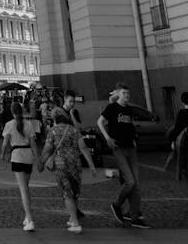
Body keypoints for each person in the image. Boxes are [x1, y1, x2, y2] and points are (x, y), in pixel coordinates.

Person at [97, 83, 149, 228]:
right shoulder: (112, 108)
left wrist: (134, 139)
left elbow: (129, 126)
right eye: (124, 93)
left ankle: (134, 216)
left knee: (136, 184)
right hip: (119, 148)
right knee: (130, 182)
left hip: (131, 148)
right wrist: (107, 138)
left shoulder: (129, 110)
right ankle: (117, 204)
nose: (127, 95)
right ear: (119, 94)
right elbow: (100, 122)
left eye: (128, 93)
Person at [39, 107, 96, 233]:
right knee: (75, 191)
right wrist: (91, 165)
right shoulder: (74, 130)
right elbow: (84, 148)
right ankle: (72, 217)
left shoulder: (53, 131)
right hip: (75, 164)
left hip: (61, 165)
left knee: (67, 192)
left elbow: (47, 149)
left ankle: (75, 223)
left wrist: (41, 162)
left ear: (56, 121)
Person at [1, 100, 40, 232]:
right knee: (26, 187)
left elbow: (5, 143)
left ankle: (29, 219)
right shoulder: (28, 124)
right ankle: (26, 216)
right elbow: (33, 143)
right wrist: (37, 157)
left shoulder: (9, 125)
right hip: (28, 154)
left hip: (17, 155)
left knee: (23, 189)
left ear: (12, 112)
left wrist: (3, 155)